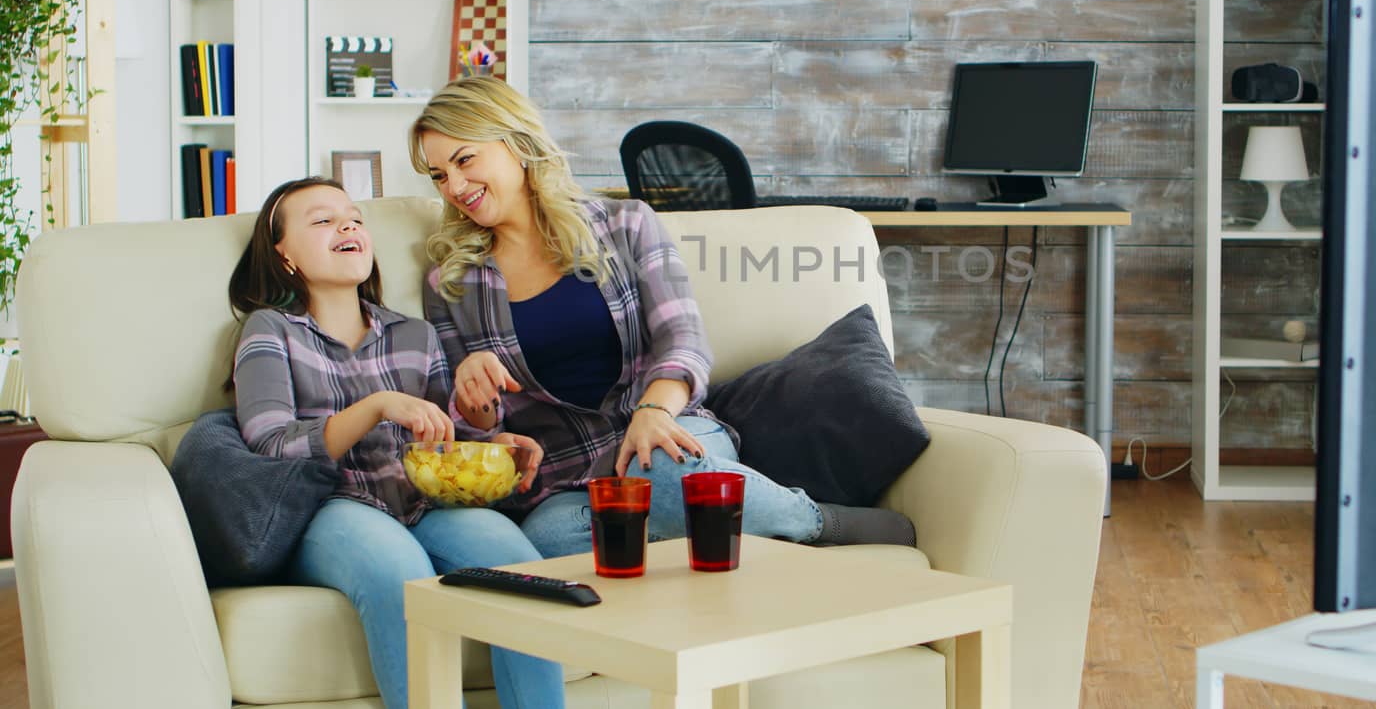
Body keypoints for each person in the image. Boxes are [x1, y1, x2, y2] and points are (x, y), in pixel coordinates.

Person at [408, 76, 915, 558]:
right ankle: (720, 524)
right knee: (546, 542)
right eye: (438, 175)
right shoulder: (450, 282)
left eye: (464, 159)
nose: (454, 185)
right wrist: (475, 408)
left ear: (516, 142)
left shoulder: (625, 226)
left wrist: (652, 413)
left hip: (668, 431)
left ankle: (817, 522)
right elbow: (475, 427)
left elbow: (683, 340)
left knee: (663, 477)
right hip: (566, 477)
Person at [226, 176, 565, 709]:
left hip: (423, 501)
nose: (347, 225)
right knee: (401, 575)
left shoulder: (415, 335)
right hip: (329, 506)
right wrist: (377, 405)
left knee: (525, 573)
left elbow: (445, 439)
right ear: (283, 254)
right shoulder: (269, 331)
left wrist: (494, 437)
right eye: (322, 220)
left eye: (354, 218)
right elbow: (270, 446)